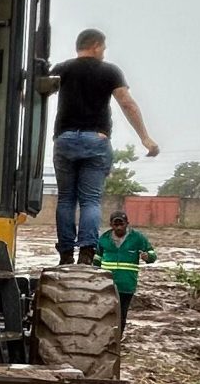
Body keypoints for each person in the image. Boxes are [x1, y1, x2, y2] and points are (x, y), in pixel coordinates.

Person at [49, 29, 157, 264]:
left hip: (65, 140)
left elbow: (36, 92)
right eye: (104, 48)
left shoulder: (62, 69)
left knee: (66, 199)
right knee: (90, 200)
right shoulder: (109, 71)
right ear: (96, 45)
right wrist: (145, 138)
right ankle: (87, 253)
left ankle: (66, 254)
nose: (104, 52)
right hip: (95, 141)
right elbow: (127, 103)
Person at [97, 209, 156, 328]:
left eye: (121, 224)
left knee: (121, 314)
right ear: (111, 225)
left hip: (126, 284)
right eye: (115, 225)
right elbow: (97, 260)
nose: (118, 228)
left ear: (127, 223)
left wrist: (147, 256)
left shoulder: (138, 238)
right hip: (106, 284)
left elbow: (152, 255)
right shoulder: (104, 238)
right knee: (104, 313)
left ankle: (117, 339)